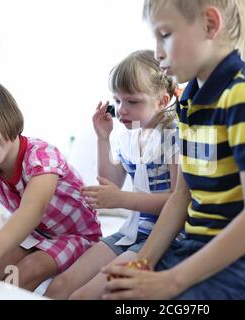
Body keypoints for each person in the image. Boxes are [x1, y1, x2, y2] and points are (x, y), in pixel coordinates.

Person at [101, 0, 245, 300]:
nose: (157, 52)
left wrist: (172, 281)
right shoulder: (190, 102)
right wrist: (144, 261)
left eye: (164, 34)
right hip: (195, 244)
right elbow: (182, 195)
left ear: (209, 25)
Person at [0, 77, 101, 291]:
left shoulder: (42, 156)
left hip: (80, 237)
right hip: (37, 236)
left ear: (7, 115)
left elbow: (32, 209)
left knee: (28, 270)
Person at [44, 50, 180, 299]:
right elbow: (111, 182)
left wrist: (121, 199)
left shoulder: (172, 136)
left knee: (83, 296)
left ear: (161, 101)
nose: (122, 111)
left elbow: (176, 200)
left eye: (132, 102)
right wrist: (103, 138)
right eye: (117, 101)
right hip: (132, 232)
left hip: (163, 238)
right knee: (60, 285)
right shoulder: (127, 136)